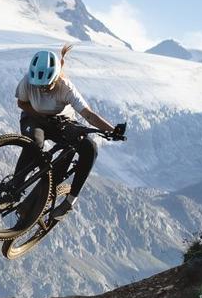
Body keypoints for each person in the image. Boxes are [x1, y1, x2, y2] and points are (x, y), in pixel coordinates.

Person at [14, 45, 124, 218]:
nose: (42, 89)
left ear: (56, 77)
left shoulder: (66, 88)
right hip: (34, 117)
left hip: (61, 122)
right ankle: (14, 189)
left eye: (47, 86)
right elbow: (22, 103)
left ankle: (69, 201)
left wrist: (112, 130)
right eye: (38, 86)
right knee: (34, 144)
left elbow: (88, 115)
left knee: (89, 148)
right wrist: (41, 116)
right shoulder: (27, 81)